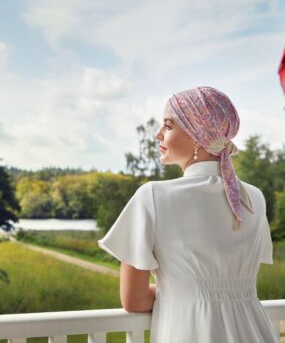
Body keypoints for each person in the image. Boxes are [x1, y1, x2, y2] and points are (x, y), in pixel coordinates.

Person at [98, 86, 278, 343]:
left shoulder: (152, 197)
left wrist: (180, 290)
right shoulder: (255, 198)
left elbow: (134, 300)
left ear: (197, 135)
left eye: (168, 126)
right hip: (256, 332)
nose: (158, 134)